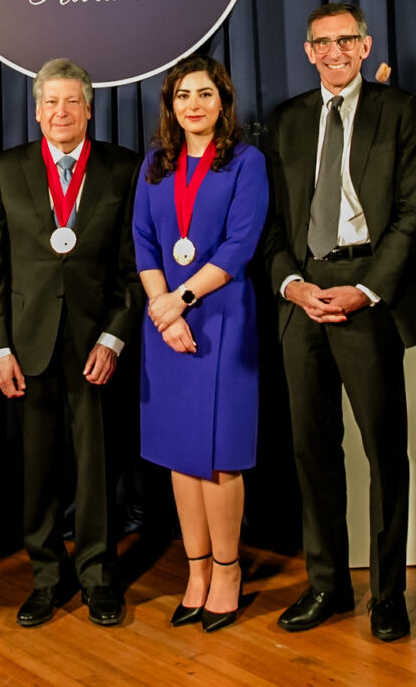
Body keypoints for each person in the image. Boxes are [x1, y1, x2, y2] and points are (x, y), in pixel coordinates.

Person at [263, 2, 416, 641]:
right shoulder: (288, 120)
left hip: (368, 294)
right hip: (303, 297)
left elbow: (412, 212)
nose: (334, 52)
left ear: (364, 46)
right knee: (312, 451)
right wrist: (293, 285)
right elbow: (273, 223)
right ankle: (326, 585)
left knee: (384, 450)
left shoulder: (398, 111)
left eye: (346, 40)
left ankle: (388, 594)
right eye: (322, 43)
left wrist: (365, 289)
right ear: (308, 52)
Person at [0, 58, 142, 628]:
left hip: (97, 342)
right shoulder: (5, 169)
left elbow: (134, 266)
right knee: (38, 470)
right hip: (29, 347)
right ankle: (47, 578)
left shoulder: (123, 168)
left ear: (90, 108)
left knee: (97, 468)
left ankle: (99, 578)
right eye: (50, 102)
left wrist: (115, 338)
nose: (61, 112)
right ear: (36, 109)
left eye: (72, 101)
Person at [132, 55, 268, 633]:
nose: (194, 105)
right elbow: (143, 243)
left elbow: (240, 246)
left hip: (222, 317)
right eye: (183, 95)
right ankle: (196, 571)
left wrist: (179, 301)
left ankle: (229, 570)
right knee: (182, 460)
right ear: (171, 104)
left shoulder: (245, 161)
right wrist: (164, 312)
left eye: (205, 94)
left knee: (221, 458)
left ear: (223, 101)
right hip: (168, 323)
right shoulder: (155, 166)